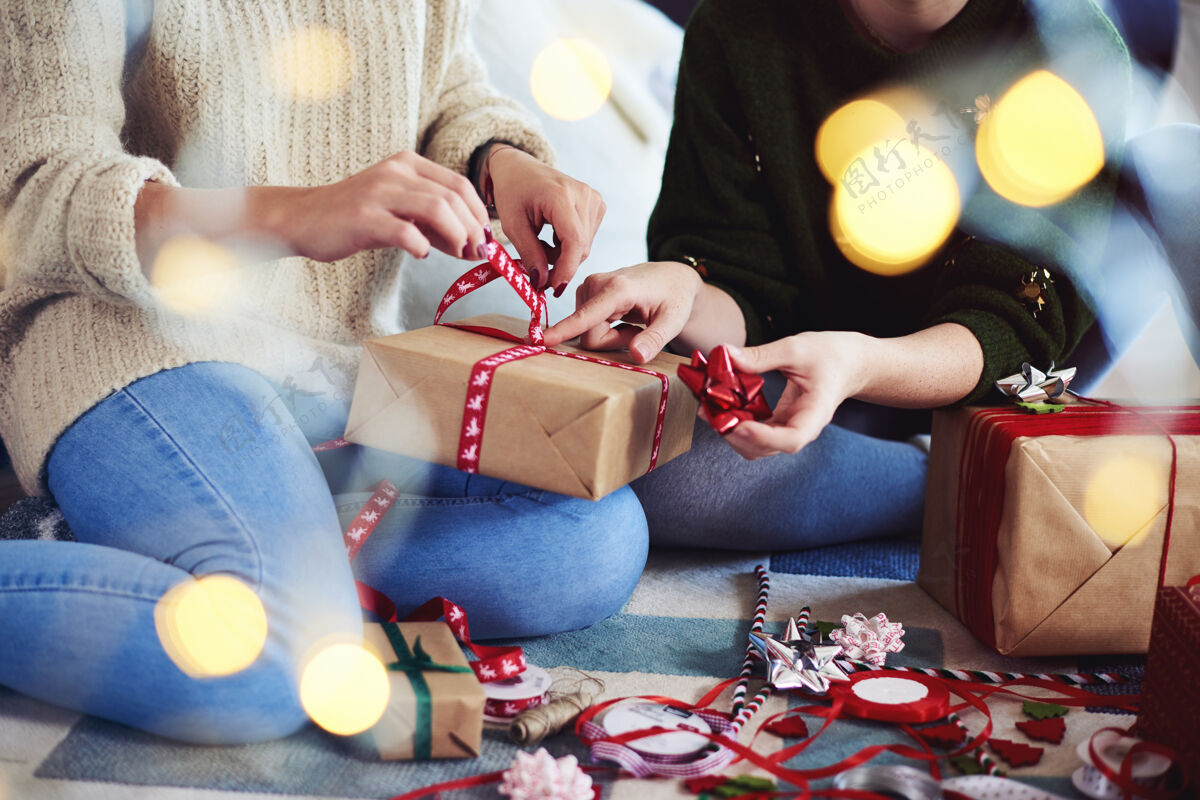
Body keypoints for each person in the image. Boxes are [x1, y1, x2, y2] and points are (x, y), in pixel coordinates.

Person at [0, 0, 643, 743]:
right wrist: (296, 215)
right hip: (137, 341)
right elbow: (29, 193)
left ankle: (179, 547)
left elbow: (445, 87)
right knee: (269, 663)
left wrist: (500, 158)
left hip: (330, 371)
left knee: (591, 540)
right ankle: (248, 577)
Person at [545, 0, 1129, 549]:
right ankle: (962, 490)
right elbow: (744, 285)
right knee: (639, 456)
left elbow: (1013, 321)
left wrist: (864, 365)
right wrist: (686, 292)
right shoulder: (739, 24)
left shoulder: (1069, 48)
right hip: (796, 375)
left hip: (979, 389)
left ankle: (956, 478)